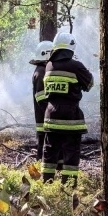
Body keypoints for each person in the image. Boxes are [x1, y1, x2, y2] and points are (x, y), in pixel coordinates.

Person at [42, 31, 93, 184]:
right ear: (71, 49)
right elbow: (89, 84)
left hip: (51, 118)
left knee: (50, 152)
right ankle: (69, 185)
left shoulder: (48, 66)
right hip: (71, 118)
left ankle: (47, 183)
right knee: (71, 152)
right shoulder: (76, 66)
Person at [30, 40, 53, 160]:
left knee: (44, 144)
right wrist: (52, 111)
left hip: (43, 118)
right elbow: (41, 98)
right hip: (44, 118)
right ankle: (41, 170)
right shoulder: (41, 72)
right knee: (44, 146)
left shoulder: (41, 70)